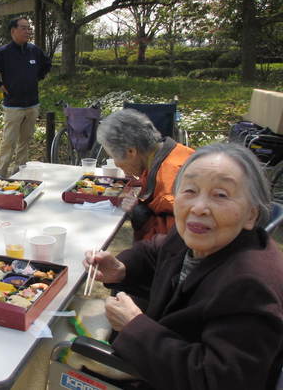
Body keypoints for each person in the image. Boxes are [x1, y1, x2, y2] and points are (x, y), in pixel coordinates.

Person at [83, 143, 283, 389]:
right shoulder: (194, 234)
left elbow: (217, 380)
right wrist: (121, 268)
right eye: (190, 190)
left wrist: (134, 326)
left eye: (220, 194)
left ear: (251, 215)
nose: (198, 207)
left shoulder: (251, 285)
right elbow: (155, 252)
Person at [97, 109, 194, 241]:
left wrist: (138, 213)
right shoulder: (172, 152)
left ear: (131, 151)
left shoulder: (168, 184)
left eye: (113, 157)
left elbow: (171, 244)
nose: (116, 164)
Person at [0, 16, 51, 178]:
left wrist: (36, 77)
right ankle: (1, 173)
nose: (28, 31)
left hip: (32, 105)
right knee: (9, 141)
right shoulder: (4, 52)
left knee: (25, 142)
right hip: (13, 105)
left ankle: (19, 173)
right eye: (24, 28)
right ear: (13, 31)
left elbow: (47, 64)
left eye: (29, 28)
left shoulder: (34, 50)